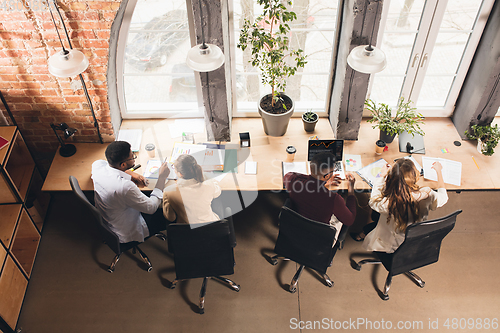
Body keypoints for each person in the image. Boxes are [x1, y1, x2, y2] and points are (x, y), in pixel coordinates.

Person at [361, 158, 448, 253]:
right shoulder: (427, 194)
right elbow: (444, 197)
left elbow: (373, 202)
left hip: (390, 245)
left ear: (392, 179)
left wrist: (382, 176)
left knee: (374, 215)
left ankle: (361, 235)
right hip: (414, 240)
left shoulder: (389, 203)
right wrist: (439, 171)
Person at [91, 141, 170, 243]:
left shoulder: (97, 166)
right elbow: (151, 208)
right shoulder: (125, 187)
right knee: (169, 210)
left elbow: (111, 168)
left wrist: (132, 174)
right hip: (126, 230)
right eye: (132, 157)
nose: (133, 157)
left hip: (109, 217)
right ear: (123, 164)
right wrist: (162, 178)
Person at [283, 152, 357, 239]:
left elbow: (288, 175)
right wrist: (351, 189)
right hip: (318, 239)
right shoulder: (334, 199)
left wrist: (322, 182)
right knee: (343, 201)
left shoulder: (294, 182)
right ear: (327, 175)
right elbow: (349, 220)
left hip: (294, 228)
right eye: (333, 171)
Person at [163, 154, 222, 224]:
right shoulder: (209, 184)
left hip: (187, 231)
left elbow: (171, 217)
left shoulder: (169, 191)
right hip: (210, 228)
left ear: (180, 174)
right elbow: (217, 193)